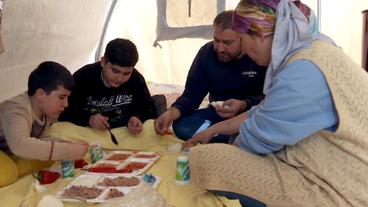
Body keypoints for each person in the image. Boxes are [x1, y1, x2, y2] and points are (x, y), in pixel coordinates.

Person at [187, 0, 368, 206]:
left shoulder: (302, 71)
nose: (244, 50)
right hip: (341, 159)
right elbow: (266, 110)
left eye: (241, 40)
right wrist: (219, 128)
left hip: (348, 185)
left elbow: (256, 139)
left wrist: (229, 147)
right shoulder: (314, 50)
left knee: (205, 160)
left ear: (260, 35)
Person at [154, 10, 267, 143]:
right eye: (216, 40)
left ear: (243, 39)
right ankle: (232, 138)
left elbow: (271, 99)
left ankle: (223, 136)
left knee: (266, 128)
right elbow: (192, 95)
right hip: (217, 114)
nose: (220, 48)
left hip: (251, 115)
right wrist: (171, 113)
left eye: (227, 43)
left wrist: (244, 104)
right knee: (181, 126)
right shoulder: (207, 53)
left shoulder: (258, 55)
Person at [0, 61, 88, 183]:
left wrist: (68, 145)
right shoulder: (16, 108)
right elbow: (20, 144)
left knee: (47, 157)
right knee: (8, 174)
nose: (66, 104)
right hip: (12, 148)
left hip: (10, 150)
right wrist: (66, 151)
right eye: (61, 97)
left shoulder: (45, 111)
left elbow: (42, 140)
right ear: (40, 94)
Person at [60, 38, 156, 135]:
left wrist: (136, 118)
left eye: (126, 74)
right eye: (115, 71)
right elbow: (64, 110)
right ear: (103, 62)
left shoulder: (136, 79)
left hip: (124, 133)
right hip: (88, 132)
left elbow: (148, 108)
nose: (119, 78)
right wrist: (89, 119)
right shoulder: (83, 77)